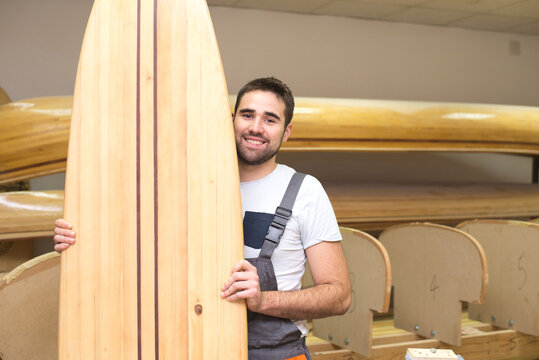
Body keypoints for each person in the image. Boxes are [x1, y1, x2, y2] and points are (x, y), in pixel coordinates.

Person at [54, 77, 351, 360]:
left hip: (276, 353)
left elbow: (339, 296)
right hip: (192, 343)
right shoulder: (191, 184)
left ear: (286, 131)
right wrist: (81, 240)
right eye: (247, 115)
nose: (256, 127)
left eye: (270, 119)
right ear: (231, 120)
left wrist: (264, 300)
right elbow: (141, 254)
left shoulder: (304, 191)